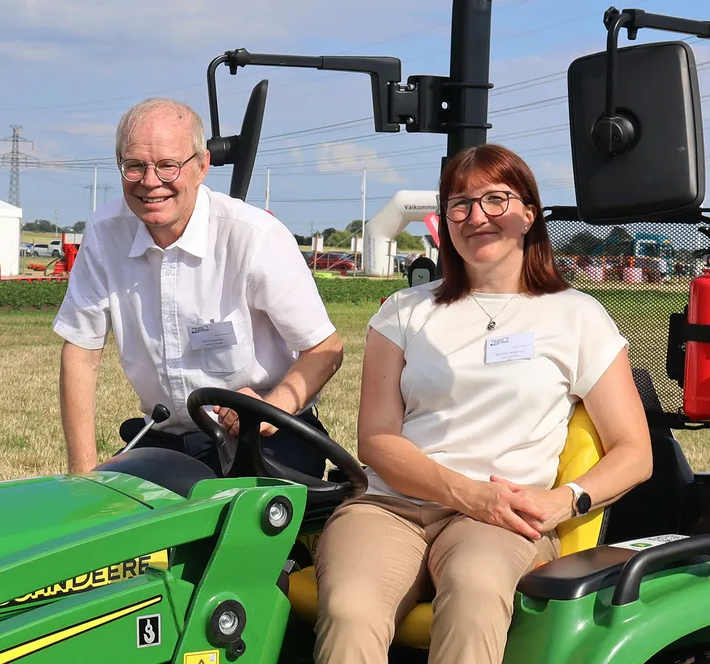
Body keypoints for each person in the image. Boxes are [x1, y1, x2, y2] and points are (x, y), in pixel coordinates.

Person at [312, 144, 653, 664]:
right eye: (460, 204)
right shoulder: (404, 311)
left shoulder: (576, 316)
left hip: (502, 520)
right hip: (390, 505)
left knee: (473, 595)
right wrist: (469, 493)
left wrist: (565, 502)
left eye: (497, 200)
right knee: (349, 608)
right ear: (444, 220)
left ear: (528, 214)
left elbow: (635, 451)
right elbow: (377, 441)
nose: (478, 217)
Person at [52, 97, 344, 479]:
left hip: (266, 439)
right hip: (167, 437)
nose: (150, 182)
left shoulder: (254, 237)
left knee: (233, 529)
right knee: (119, 526)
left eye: (168, 166)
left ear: (202, 165)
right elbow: (81, 353)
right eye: (135, 167)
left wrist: (272, 408)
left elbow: (326, 349)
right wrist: (83, 474)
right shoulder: (105, 232)